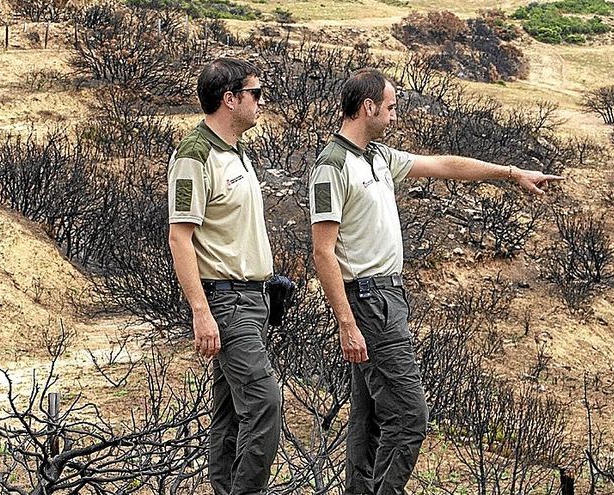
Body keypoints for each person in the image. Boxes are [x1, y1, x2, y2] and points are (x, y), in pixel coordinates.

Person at [309, 68, 564, 495]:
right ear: (368, 107)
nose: (394, 116)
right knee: (410, 418)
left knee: (369, 417)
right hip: (368, 301)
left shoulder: (377, 156)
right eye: (390, 108)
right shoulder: (331, 167)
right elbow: (322, 251)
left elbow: (443, 165)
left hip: (387, 295)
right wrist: (346, 322)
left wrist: (510, 172)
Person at [167, 57, 281, 495]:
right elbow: (180, 238)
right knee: (264, 403)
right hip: (226, 301)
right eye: (255, 93)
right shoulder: (195, 154)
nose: (261, 101)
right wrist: (201, 311)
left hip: (252, 297)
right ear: (229, 99)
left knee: (231, 412)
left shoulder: (235, 151)